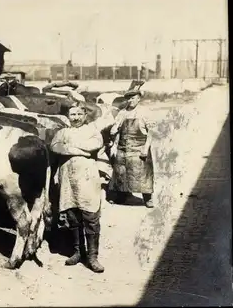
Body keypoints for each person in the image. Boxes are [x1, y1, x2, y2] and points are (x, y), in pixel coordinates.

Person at [50, 103, 106, 273]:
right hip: (68, 178)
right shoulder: (62, 132)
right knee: (73, 216)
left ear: (85, 115)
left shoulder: (92, 130)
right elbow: (55, 146)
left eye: (78, 114)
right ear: (68, 116)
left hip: (87, 177)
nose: (75, 118)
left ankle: (92, 256)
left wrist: (70, 148)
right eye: (72, 114)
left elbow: (95, 145)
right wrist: (79, 150)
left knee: (91, 215)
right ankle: (77, 252)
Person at [109, 89, 155, 208]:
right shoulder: (122, 113)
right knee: (120, 172)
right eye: (129, 98)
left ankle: (147, 198)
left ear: (139, 99)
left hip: (139, 147)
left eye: (133, 98)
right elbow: (115, 130)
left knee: (143, 174)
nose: (130, 100)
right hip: (123, 147)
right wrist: (114, 138)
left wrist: (145, 149)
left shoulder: (145, 112)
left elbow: (151, 132)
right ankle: (121, 195)